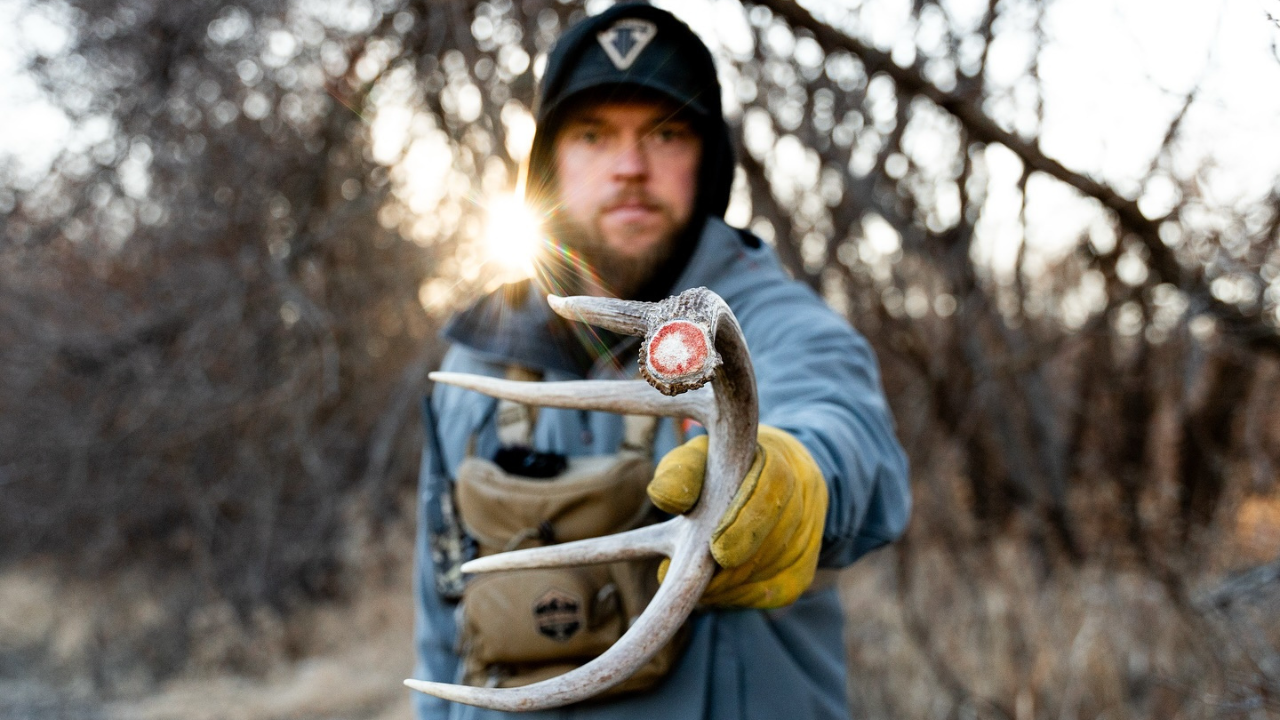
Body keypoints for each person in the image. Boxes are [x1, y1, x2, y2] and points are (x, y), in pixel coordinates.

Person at [411, 4, 910, 719]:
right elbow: (441, 615)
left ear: (706, 163)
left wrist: (795, 482)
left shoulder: (775, 324)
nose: (630, 167)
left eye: (665, 133)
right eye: (592, 135)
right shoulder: (477, 356)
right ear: (549, 164)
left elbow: (846, 432)